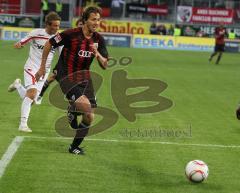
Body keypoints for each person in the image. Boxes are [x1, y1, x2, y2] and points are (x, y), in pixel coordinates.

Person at [35, 7, 108, 155]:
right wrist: (42, 67)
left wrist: (97, 54)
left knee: (89, 117)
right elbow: (50, 43)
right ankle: (73, 109)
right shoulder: (71, 34)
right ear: (85, 20)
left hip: (84, 78)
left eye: (98, 19)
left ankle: (74, 146)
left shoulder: (99, 39)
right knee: (87, 109)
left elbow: (105, 65)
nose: (96, 22)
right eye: (93, 19)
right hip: (67, 75)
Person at [8, 12, 61, 132]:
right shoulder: (36, 33)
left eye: (58, 26)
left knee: (32, 99)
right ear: (47, 24)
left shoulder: (58, 38)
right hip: (32, 67)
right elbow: (23, 41)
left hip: (44, 71)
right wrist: (19, 44)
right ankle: (23, 125)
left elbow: (62, 54)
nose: (57, 28)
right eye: (55, 26)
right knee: (31, 94)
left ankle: (17, 85)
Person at [37, 17, 83, 103]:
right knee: (56, 78)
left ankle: (73, 102)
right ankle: (39, 95)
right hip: (64, 63)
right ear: (76, 25)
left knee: (57, 79)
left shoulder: (87, 38)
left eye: (82, 25)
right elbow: (53, 42)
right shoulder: (69, 34)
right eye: (80, 24)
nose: (81, 26)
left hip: (75, 66)